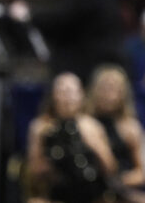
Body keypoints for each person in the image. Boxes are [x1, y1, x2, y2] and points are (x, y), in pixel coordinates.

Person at [26, 72, 117, 203]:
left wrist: (95, 145)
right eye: (62, 92)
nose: (67, 98)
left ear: (81, 95)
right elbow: (34, 172)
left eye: (72, 92)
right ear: (53, 95)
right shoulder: (40, 127)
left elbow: (111, 169)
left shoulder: (92, 126)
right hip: (56, 195)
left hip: (91, 195)